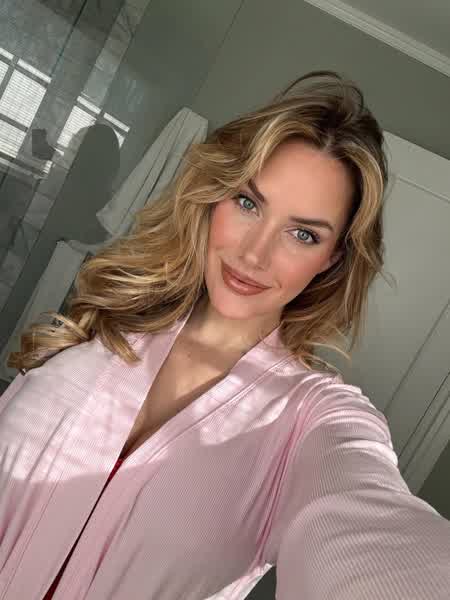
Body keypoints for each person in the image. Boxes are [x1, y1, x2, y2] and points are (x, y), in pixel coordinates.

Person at [1, 71, 449, 599]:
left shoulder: (313, 417)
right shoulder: (115, 316)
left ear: (332, 258)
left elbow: (371, 532)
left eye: (302, 234)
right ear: (214, 196)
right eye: (247, 203)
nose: (254, 254)